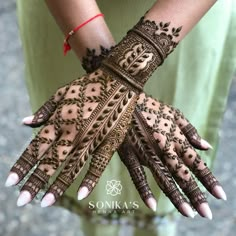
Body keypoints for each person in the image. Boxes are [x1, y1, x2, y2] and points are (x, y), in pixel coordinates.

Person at [6, 0, 236, 235]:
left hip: (186, 15)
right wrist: (120, 79)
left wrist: (123, 73)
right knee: (92, 161)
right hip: (69, 15)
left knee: (164, 156)